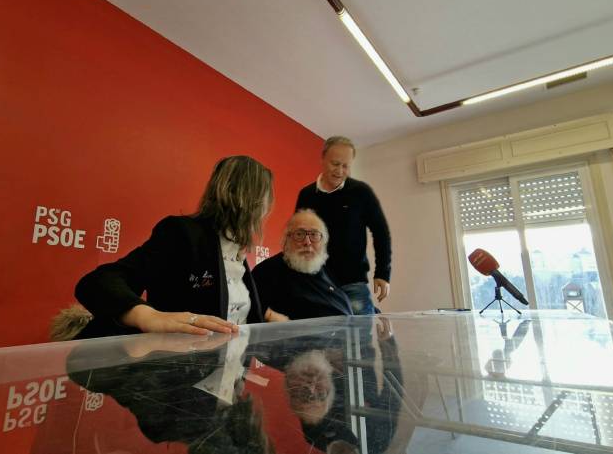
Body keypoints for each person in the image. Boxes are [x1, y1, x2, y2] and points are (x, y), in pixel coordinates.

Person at [74, 155, 283, 339]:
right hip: (181, 366)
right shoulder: (182, 233)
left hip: (233, 369)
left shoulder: (238, 253)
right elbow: (100, 281)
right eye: (265, 198)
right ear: (250, 198)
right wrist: (147, 316)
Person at [296, 136, 392, 315]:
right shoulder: (306, 195)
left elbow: (381, 232)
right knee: (322, 333)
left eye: (345, 166)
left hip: (353, 283)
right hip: (316, 283)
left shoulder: (361, 192)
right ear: (323, 158)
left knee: (361, 332)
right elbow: (298, 237)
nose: (340, 171)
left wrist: (383, 273)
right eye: (335, 164)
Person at [252, 209, 352, 320]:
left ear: (323, 242)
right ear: (286, 240)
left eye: (314, 235)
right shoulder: (267, 271)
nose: (307, 242)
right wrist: (270, 316)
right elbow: (253, 310)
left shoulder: (327, 272)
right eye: (299, 234)